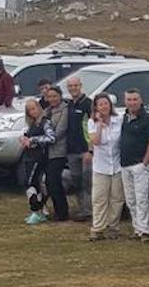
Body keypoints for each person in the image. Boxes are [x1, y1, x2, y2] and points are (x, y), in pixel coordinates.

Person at [119, 89, 149, 242]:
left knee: (141, 198)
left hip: (139, 165)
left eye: (135, 99)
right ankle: (137, 229)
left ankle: (145, 231)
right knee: (130, 199)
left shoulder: (148, 119)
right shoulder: (124, 118)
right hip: (125, 164)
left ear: (140, 100)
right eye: (129, 99)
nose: (132, 102)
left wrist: (145, 163)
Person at [87, 94, 125, 241]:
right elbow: (95, 142)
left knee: (116, 198)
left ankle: (113, 227)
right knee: (99, 198)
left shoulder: (119, 120)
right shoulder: (92, 122)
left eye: (106, 103)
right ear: (96, 107)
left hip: (117, 165)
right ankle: (98, 228)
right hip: (101, 167)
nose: (104, 106)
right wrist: (100, 126)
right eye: (100, 104)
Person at [19, 99, 55, 224]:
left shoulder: (45, 122)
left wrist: (33, 140)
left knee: (31, 183)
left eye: (33, 108)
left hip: (39, 158)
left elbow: (51, 137)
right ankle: (39, 210)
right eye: (29, 110)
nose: (32, 112)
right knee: (31, 184)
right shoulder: (31, 125)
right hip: (29, 157)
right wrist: (24, 139)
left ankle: (36, 210)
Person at [64, 76, 94, 222]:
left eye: (76, 85)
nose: (73, 88)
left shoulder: (88, 104)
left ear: (81, 86)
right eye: (70, 86)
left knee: (88, 181)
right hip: (71, 150)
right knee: (76, 181)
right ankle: (82, 209)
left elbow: (93, 128)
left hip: (85, 151)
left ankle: (90, 210)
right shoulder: (68, 104)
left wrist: (90, 150)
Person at [43, 85, 71, 221]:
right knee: (49, 182)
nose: (52, 99)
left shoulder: (65, 110)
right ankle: (57, 210)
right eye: (50, 96)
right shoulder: (47, 111)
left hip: (59, 150)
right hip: (48, 151)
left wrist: (45, 138)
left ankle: (63, 212)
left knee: (54, 181)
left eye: (55, 96)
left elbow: (60, 130)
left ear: (60, 96)